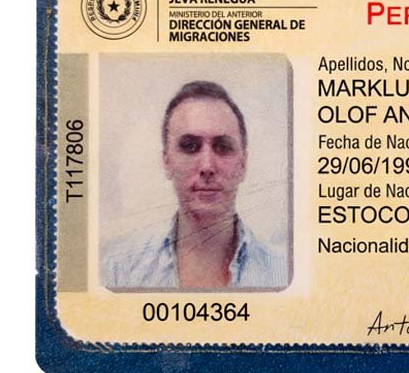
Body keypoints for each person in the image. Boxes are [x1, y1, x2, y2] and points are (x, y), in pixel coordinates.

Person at [102, 80, 289, 289]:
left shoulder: (283, 275)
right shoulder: (119, 272)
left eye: (222, 147)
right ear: (167, 162)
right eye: (190, 146)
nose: (207, 166)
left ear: (243, 164)